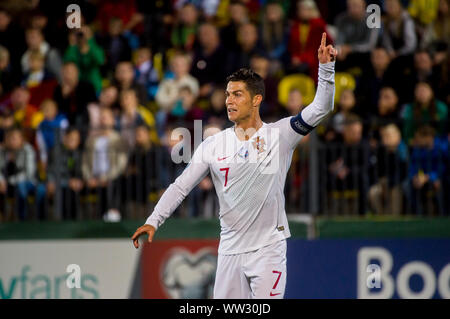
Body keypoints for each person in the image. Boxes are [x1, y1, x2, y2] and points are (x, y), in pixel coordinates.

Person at [132, 33, 337, 299]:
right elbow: (180, 186)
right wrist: (153, 220)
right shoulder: (212, 145)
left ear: (256, 99)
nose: (229, 100)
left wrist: (326, 69)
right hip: (229, 252)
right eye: (228, 94)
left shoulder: (280, 134)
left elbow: (321, 107)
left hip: (268, 250)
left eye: (237, 94)